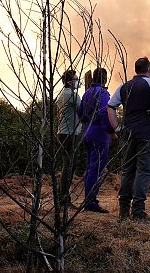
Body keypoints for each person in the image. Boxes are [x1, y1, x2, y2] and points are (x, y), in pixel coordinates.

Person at [107, 57, 150, 220]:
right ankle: (137, 211)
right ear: (149, 69)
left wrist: (117, 128)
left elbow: (110, 106)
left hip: (128, 135)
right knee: (144, 171)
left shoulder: (124, 86)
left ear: (135, 70)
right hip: (147, 134)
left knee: (128, 171)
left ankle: (123, 211)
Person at [80, 67, 113, 213]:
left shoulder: (87, 92)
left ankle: (89, 199)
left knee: (90, 168)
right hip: (99, 133)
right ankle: (90, 202)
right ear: (105, 78)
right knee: (97, 168)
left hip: (86, 132)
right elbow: (104, 112)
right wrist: (110, 129)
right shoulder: (103, 93)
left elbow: (80, 112)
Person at [57, 69, 82, 207]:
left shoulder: (61, 95)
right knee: (69, 166)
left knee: (67, 165)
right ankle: (63, 198)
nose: (77, 81)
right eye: (75, 79)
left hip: (62, 132)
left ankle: (62, 195)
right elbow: (83, 111)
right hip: (70, 134)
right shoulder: (73, 95)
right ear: (69, 81)